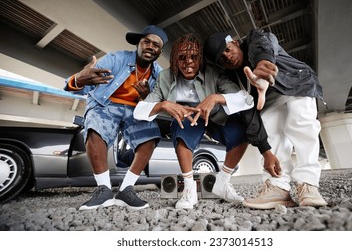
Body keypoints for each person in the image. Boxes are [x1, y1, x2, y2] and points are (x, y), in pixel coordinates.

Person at [203, 29, 327, 209]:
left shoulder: (253, 38)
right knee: (271, 133)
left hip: (297, 82)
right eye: (222, 58)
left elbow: (264, 43)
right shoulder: (233, 78)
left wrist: (263, 62)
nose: (227, 57)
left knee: (301, 126)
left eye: (228, 50)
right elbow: (248, 112)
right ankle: (278, 187)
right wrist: (265, 151)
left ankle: (308, 185)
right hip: (268, 99)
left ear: (236, 43)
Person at [134, 34, 253, 209]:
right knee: (181, 127)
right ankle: (189, 189)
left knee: (244, 130)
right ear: (175, 59)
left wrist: (215, 98)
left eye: (194, 57)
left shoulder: (214, 72)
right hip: (187, 119)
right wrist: (163, 105)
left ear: (201, 58)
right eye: (182, 57)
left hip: (214, 116)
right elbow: (139, 111)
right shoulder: (165, 77)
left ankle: (223, 181)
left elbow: (246, 99)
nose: (188, 62)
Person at [64, 25, 168, 210]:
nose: (150, 46)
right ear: (139, 44)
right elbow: (78, 83)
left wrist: (145, 97)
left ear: (160, 51)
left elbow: (155, 106)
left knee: (150, 137)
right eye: (147, 41)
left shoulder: (159, 75)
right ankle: (103, 189)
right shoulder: (115, 58)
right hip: (106, 104)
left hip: (135, 110)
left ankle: (126, 190)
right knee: (95, 128)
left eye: (156, 45)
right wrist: (78, 79)